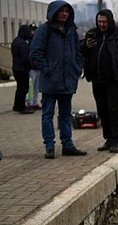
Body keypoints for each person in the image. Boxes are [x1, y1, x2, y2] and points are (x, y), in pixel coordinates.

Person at [30, 0, 86, 159]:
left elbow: (78, 53)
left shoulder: (71, 31)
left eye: (67, 11)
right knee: (47, 114)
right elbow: (35, 54)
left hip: (68, 81)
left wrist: (77, 67)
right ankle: (49, 145)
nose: (64, 14)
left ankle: (67, 145)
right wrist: (48, 69)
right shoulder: (44, 30)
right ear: (54, 12)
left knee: (66, 115)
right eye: (61, 11)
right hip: (50, 81)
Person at [81, 9, 118, 154]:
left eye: (104, 22)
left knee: (114, 110)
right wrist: (86, 46)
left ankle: (117, 140)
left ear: (109, 21)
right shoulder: (92, 34)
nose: (102, 24)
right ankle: (108, 138)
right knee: (102, 110)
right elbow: (82, 52)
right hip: (97, 79)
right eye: (99, 22)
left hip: (114, 79)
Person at [11, 24, 34, 114]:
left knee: (19, 88)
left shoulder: (15, 41)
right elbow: (25, 58)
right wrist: (30, 65)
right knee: (24, 88)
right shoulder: (22, 43)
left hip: (16, 68)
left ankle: (17, 105)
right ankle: (21, 107)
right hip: (22, 69)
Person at [27, 24, 41, 110]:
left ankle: (35, 102)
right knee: (30, 87)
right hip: (31, 67)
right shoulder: (28, 41)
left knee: (37, 87)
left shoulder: (38, 40)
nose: (33, 32)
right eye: (32, 30)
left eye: (35, 30)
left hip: (38, 66)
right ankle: (29, 103)